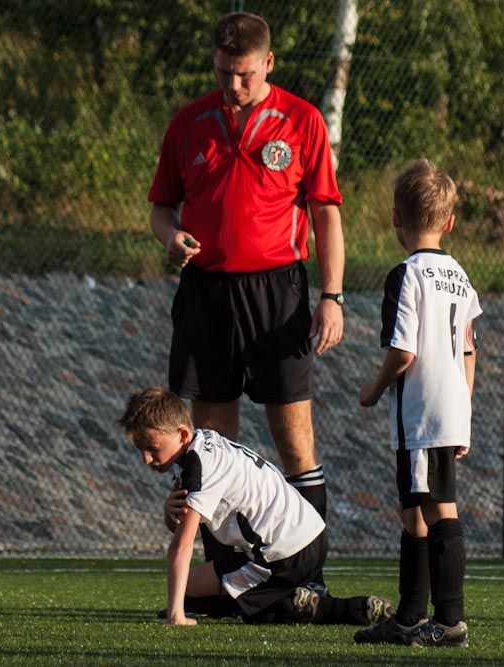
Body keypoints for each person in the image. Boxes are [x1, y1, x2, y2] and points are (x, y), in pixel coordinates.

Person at [146, 12, 344, 581]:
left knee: (296, 445)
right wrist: (170, 237)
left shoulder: (303, 121)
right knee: (212, 448)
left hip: (277, 294)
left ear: (268, 64)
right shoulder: (188, 123)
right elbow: (162, 208)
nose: (232, 84)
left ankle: (309, 579)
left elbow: (326, 216)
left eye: (244, 74)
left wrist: (331, 296)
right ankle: (226, 576)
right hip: (206, 293)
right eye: (223, 72)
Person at [117, 387, 392, 627]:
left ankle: (344, 608)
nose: (146, 458)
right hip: (309, 538)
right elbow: (180, 520)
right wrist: (169, 512)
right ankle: (283, 596)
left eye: (152, 448)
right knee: (192, 589)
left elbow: (182, 544)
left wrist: (176, 615)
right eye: (141, 449)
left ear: (182, 433)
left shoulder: (198, 466)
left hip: (284, 554)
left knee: (197, 596)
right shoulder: (200, 445)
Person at [354, 160, 480, 648]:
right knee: (413, 510)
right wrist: (463, 411)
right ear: (449, 222)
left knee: (438, 508)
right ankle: (409, 616)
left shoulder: (406, 275)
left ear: (395, 218)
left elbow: (403, 351)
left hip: (421, 412)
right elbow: (469, 350)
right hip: (448, 406)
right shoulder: (459, 275)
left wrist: (376, 387)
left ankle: (450, 621)